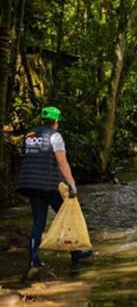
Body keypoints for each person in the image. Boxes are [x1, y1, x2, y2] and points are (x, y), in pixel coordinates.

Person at [16, 106, 92, 268]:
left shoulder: (29, 135)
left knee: (38, 222)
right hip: (48, 185)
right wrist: (72, 185)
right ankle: (76, 254)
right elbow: (62, 163)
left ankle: (33, 260)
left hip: (29, 183)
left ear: (42, 120)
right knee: (68, 217)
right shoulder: (55, 136)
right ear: (56, 121)